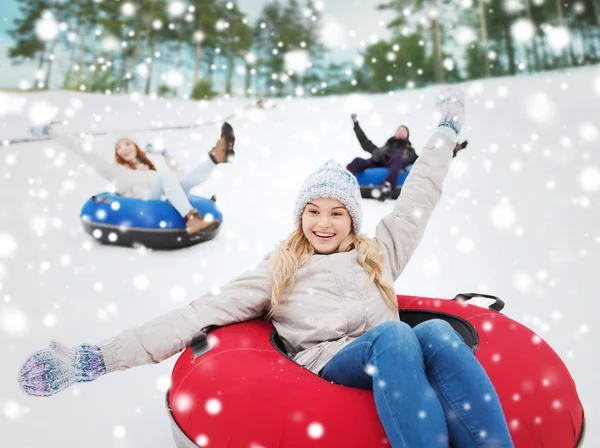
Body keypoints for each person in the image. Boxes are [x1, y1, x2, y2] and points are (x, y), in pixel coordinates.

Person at [18, 88, 513, 447]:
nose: (324, 223)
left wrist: (446, 130)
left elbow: (419, 195)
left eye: (337, 212)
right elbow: (197, 313)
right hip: (328, 363)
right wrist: (97, 357)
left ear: (352, 219)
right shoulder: (281, 267)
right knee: (399, 336)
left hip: (391, 356)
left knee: (437, 337)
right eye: (314, 211)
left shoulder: (379, 250)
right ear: (301, 216)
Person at [29, 122, 236, 235]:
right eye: (119, 147)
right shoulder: (114, 170)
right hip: (144, 205)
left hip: (165, 198)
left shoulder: (150, 169)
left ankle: (214, 158)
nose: (124, 148)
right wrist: (52, 132)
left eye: (127, 143)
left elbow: (181, 179)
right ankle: (192, 219)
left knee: (181, 181)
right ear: (117, 153)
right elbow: (82, 151)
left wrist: (166, 156)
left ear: (135, 147)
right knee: (166, 177)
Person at [348, 113, 468, 201]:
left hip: (395, 165)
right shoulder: (382, 149)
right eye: (399, 130)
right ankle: (343, 179)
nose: (400, 131)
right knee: (358, 160)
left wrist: (453, 150)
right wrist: (356, 124)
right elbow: (364, 142)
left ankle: (387, 187)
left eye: (403, 131)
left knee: (398, 158)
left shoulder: (409, 151)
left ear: (407, 136)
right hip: (378, 161)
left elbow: (430, 159)